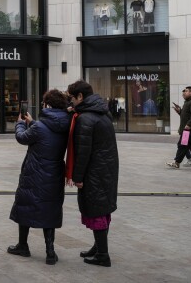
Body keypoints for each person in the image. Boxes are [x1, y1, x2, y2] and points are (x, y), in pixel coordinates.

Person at [7, 89, 71, 265]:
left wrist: (20, 123)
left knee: (25, 204)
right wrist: (33, 122)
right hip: (55, 173)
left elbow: (22, 138)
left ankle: (23, 245)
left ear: (47, 105)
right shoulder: (66, 124)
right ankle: (50, 252)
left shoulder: (40, 126)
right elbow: (48, 133)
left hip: (34, 172)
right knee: (50, 209)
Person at [66, 80, 119, 267]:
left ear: (80, 97)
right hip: (107, 169)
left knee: (96, 211)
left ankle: (103, 255)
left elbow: (83, 152)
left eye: (72, 98)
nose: (70, 102)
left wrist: (77, 177)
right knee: (102, 209)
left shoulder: (86, 119)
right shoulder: (101, 112)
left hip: (94, 171)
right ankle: (98, 248)